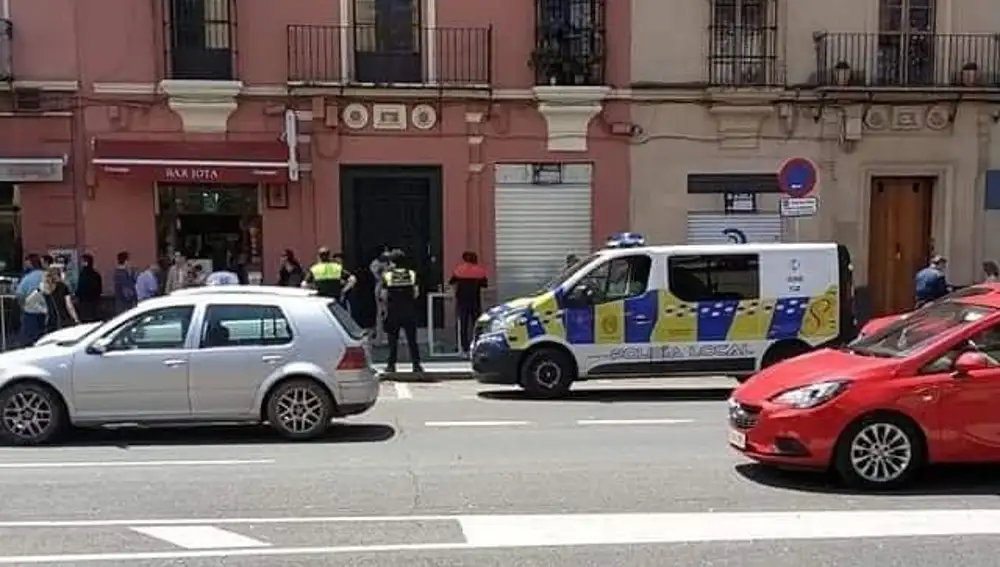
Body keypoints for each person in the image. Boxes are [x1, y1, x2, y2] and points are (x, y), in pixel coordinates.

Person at [382, 249, 423, 374]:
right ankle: (416, 365)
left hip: (393, 311)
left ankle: (391, 365)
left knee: (392, 340)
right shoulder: (412, 274)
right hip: (408, 310)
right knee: (412, 339)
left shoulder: (388, 275)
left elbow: (383, 295)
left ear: (393, 262)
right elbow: (416, 293)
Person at [449, 251, 489, 356]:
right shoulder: (480, 271)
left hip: (462, 301)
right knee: (477, 325)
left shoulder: (459, 270)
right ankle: (477, 346)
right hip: (475, 301)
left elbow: (451, 282)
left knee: (463, 325)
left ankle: (464, 348)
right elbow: (484, 284)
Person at [37, 266, 79, 334]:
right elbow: (69, 305)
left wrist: (43, 310)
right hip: (63, 319)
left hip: (50, 321)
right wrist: (76, 319)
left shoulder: (42, 289)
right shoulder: (63, 286)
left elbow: (34, 302)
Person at [15, 254, 46, 345]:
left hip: (31, 311)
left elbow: (19, 294)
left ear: (31, 264)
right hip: (46, 311)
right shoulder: (47, 276)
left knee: (30, 339)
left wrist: (22, 306)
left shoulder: (27, 278)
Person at [369, 247, 392, 343]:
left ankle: (389, 336)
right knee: (381, 313)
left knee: (389, 313)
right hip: (381, 287)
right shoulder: (375, 263)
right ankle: (380, 336)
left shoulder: (391, 263)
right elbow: (378, 275)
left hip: (389, 288)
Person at [75, 253, 104, 323]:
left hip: (85, 303)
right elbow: (99, 289)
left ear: (86, 262)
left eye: (82, 261)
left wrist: (77, 295)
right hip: (94, 303)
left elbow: (80, 288)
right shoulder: (96, 275)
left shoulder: (83, 274)